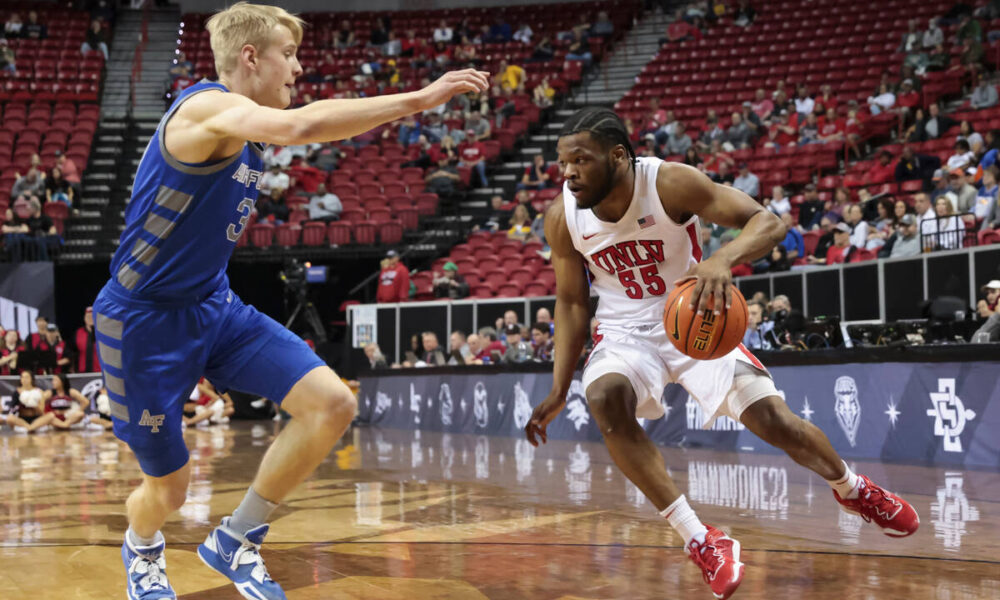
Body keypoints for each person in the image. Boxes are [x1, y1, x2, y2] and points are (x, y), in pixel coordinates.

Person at [87, 4, 489, 599]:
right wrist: (417, 99)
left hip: (214, 307)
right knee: (169, 490)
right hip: (144, 322)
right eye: (289, 54)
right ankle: (143, 548)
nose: (297, 70)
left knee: (331, 404)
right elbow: (303, 127)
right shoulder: (205, 109)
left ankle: (236, 538)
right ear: (251, 57)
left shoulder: (245, 132)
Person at [525, 107, 918, 600]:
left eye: (580, 160)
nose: (568, 173)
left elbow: (767, 223)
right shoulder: (563, 215)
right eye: (563, 163)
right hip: (624, 330)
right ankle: (701, 538)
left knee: (775, 421)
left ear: (618, 156)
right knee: (604, 398)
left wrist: (721, 258)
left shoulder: (668, 183)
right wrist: (560, 387)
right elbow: (571, 301)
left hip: (693, 313)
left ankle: (853, 489)